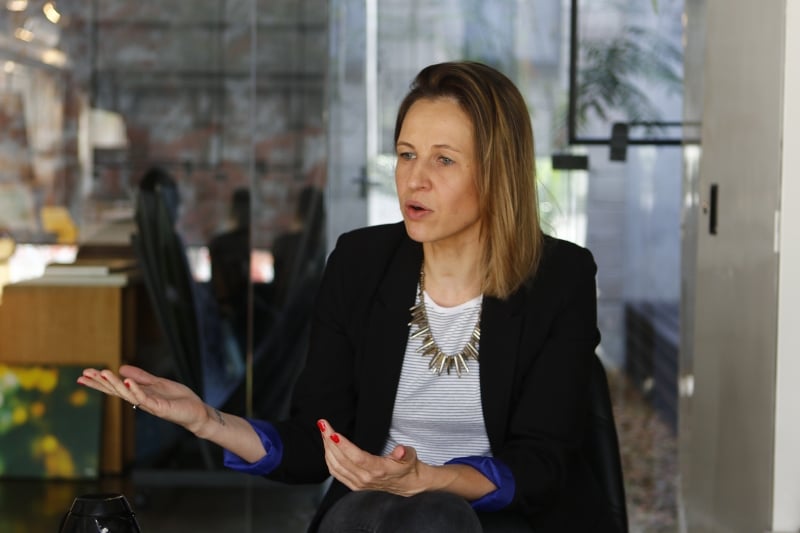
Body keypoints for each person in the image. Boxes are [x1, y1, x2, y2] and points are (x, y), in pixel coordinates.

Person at [78, 61, 616, 532]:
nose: (414, 179)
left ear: (497, 173)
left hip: (507, 517)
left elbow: (542, 465)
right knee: (398, 517)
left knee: (432, 514)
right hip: (373, 517)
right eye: (406, 154)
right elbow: (318, 442)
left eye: (443, 160)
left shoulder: (559, 276)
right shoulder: (361, 264)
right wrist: (204, 420)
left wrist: (427, 479)